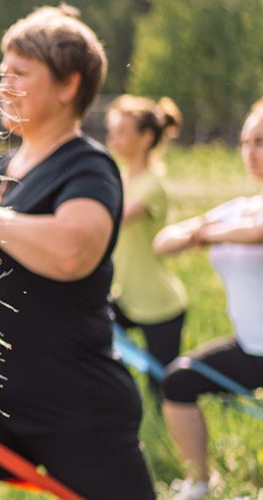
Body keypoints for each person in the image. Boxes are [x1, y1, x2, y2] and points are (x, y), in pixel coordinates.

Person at [0, 6, 155, 498]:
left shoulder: (88, 167)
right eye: (3, 71)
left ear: (68, 84)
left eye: (20, 73)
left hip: (75, 402)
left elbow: (74, 252)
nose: (3, 85)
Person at [153, 98, 263, 500]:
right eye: (246, 142)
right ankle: (199, 482)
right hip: (251, 346)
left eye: (261, 142)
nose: (251, 152)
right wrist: (206, 229)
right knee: (179, 382)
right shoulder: (238, 209)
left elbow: (257, 233)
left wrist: (205, 232)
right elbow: (164, 241)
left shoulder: (236, 218)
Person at [106, 94, 187, 394]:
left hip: (159, 304)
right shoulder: (119, 179)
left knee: (163, 390)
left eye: (121, 131)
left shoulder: (151, 185)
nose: (112, 138)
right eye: (112, 131)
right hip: (123, 297)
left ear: (146, 138)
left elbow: (115, 219)